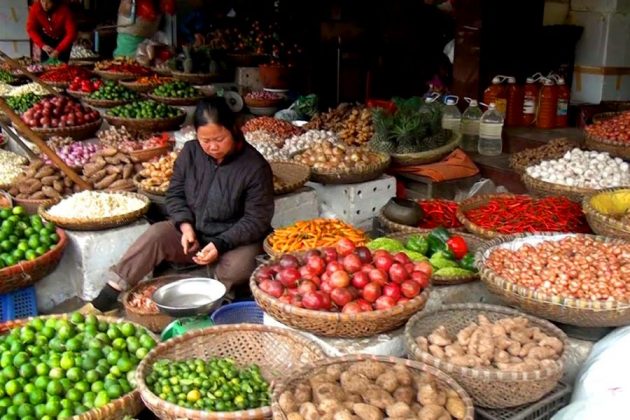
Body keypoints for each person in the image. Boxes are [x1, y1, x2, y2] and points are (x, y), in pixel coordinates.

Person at [90, 97, 275, 312]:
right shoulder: (190, 152)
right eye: (205, 140)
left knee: (238, 267)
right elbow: (175, 194)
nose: (212, 146)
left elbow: (257, 220)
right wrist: (185, 227)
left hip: (235, 241)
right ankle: (109, 295)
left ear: (233, 129)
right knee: (156, 234)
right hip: (196, 234)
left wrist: (220, 244)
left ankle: (215, 302)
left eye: (219, 139)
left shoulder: (254, 166)